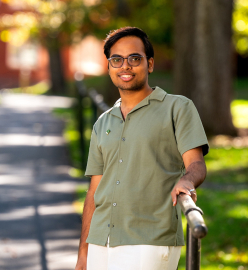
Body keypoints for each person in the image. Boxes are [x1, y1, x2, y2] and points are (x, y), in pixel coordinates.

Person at [75, 27, 209, 270]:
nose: (125, 66)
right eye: (117, 60)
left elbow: (197, 165)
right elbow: (95, 189)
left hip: (150, 240)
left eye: (134, 58)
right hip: (100, 242)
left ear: (150, 64)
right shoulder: (103, 122)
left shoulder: (177, 108)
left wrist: (187, 181)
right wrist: (84, 251)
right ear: (109, 67)